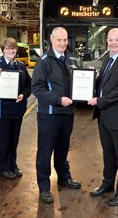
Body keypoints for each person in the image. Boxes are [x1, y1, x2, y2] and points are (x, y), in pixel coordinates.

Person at [31, 27, 81, 204]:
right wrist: (59, 100)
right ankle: (44, 187)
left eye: (65, 40)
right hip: (50, 114)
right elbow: (37, 88)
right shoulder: (44, 61)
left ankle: (64, 177)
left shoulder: (72, 58)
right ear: (51, 40)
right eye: (59, 40)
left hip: (67, 113)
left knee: (63, 149)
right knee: (45, 151)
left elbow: (80, 80)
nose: (62, 43)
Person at [88, 28, 118, 206]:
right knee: (108, 154)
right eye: (111, 40)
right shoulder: (108, 58)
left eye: (117, 40)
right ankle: (108, 185)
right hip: (104, 117)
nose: (114, 43)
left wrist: (100, 100)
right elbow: (104, 84)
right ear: (106, 41)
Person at [0, 38, 32, 179]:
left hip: (17, 109)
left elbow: (29, 85)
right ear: (3, 50)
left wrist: (23, 94)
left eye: (13, 48)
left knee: (14, 139)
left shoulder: (21, 67)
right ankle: (3, 168)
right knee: (3, 139)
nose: (11, 51)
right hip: (1, 111)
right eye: (8, 48)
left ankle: (12, 164)